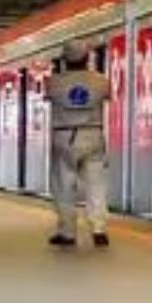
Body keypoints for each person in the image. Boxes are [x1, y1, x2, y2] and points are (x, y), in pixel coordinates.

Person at [47, 41, 112, 248]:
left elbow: (50, 98)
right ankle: (99, 229)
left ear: (65, 60)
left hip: (64, 135)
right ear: (88, 58)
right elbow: (105, 97)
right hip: (94, 134)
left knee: (64, 186)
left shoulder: (54, 82)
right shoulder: (101, 81)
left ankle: (67, 233)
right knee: (96, 184)